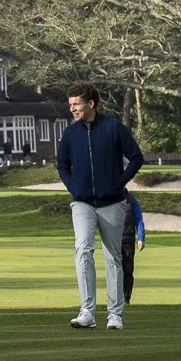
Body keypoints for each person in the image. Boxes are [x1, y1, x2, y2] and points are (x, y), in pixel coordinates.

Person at [57, 82, 145, 331]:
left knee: (113, 256)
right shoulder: (70, 134)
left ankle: (115, 314)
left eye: (76, 104)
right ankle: (87, 312)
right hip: (82, 203)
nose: (72, 108)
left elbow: (136, 157)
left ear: (91, 103)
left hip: (112, 202)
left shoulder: (113, 127)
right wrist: (74, 188)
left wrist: (118, 182)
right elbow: (62, 165)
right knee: (83, 249)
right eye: (70, 104)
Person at [121, 192, 147, 304]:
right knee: (115, 270)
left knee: (128, 270)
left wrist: (141, 238)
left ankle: (126, 298)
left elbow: (139, 219)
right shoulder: (110, 196)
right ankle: (115, 298)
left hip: (128, 240)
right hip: (114, 241)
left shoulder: (131, 200)